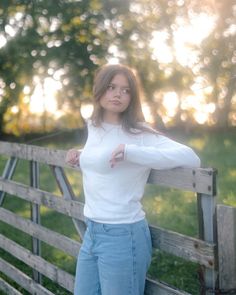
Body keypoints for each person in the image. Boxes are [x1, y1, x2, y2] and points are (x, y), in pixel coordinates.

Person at [65, 64, 201, 295]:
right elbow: (104, 154)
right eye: (111, 87)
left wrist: (132, 152)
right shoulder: (95, 127)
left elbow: (191, 158)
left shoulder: (139, 133)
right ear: (100, 90)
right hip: (92, 231)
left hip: (123, 235)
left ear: (132, 97)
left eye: (126, 90)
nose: (118, 94)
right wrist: (81, 154)